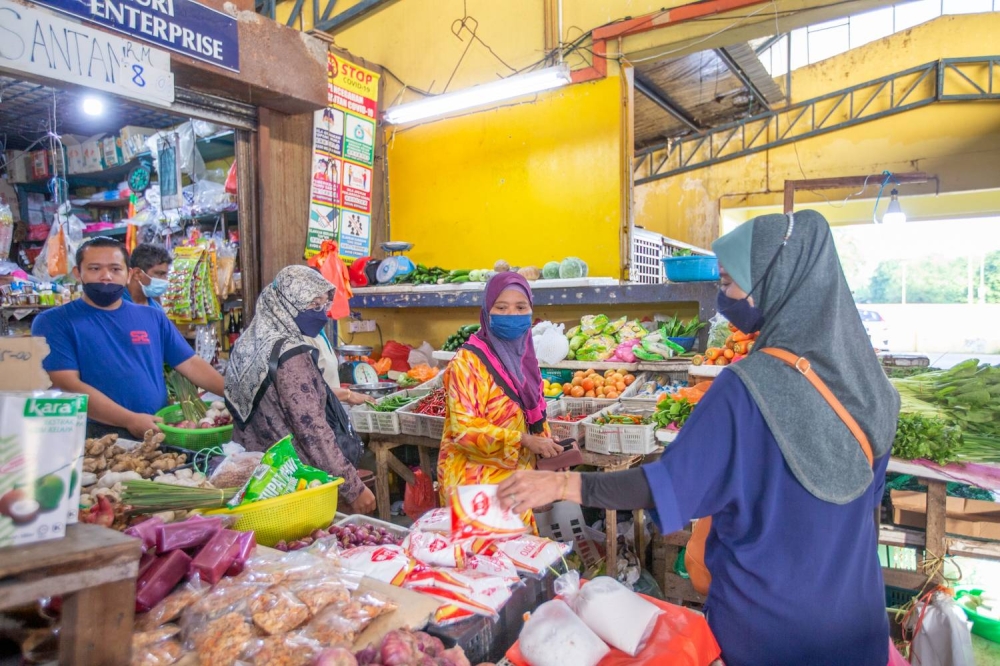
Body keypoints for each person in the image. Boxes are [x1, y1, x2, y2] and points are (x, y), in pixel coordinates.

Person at [497, 211, 901, 666]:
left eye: (728, 283)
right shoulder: (873, 385)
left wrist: (562, 485)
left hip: (769, 632)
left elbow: (667, 485)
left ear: (774, 281)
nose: (721, 296)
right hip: (858, 626)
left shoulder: (747, 389)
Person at [32, 237, 225, 439]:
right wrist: (129, 419)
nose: (106, 276)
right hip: (95, 436)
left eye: (115, 269)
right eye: (95, 268)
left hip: (156, 426)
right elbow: (68, 385)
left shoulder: (152, 316)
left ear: (129, 274)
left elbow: (191, 364)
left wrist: (235, 396)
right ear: (78, 273)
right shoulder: (54, 322)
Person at [225, 265, 376, 515]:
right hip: (293, 486)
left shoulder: (249, 342)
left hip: (255, 480)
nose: (322, 314)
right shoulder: (289, 355)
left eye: (323, 305)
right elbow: (312, 430)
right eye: (313, 306)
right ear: (286, 304)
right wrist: (353, 487)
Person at [437, 272, 563, 530]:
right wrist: (525, 441)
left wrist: (544, 443)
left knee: (518, 564)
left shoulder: (525, 360)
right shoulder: (467, 363)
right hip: (475, 491)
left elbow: (532, 414)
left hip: (514, 488)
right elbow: (464, 431)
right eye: (501, 307)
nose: (513, 315)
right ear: (487, 312)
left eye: (521, 307)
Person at [124, 243, 172, 310]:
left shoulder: (156, 309)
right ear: (137, 274)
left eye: (165, 275)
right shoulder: (114, 304)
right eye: (160, 274)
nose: (165, 280)